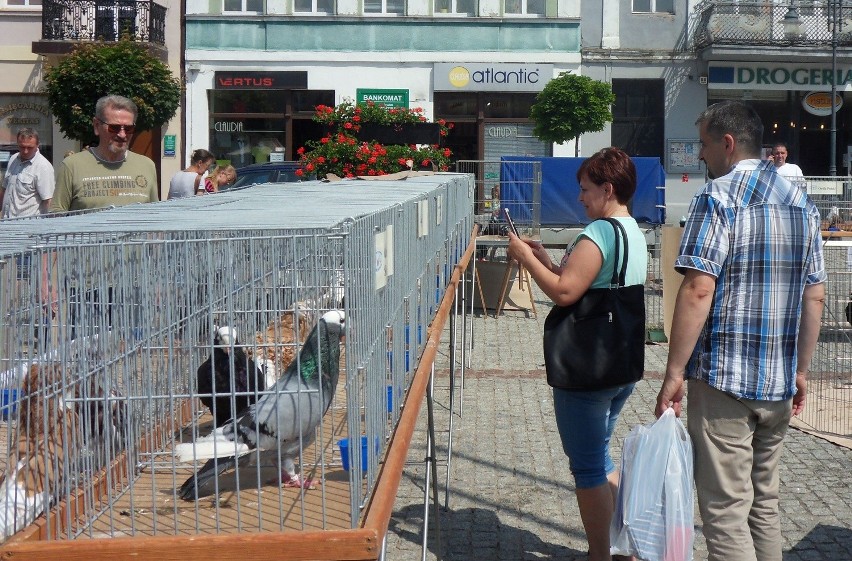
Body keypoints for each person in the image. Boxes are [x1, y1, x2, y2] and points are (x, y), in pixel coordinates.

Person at [656, 101, 826, 561]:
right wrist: (802, 369)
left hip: (724, 382)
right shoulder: (802, 203)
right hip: (777, 384)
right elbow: (815, 296)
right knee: (764, 506)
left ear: (728, 144)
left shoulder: (718, 197)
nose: (701, 154)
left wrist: (674, 372)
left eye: (705, 144)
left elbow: (697, 289)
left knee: (726, 514)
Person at [507, 147, 647, 561]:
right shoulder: (633, 231)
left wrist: (524, 261)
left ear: (607, 189)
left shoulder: (599, 233)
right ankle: (620, 547)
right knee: (601, 455)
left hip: (588, 369)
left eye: (586, 190)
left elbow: (566, 292)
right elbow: (588, 281)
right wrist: (546, 259)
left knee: (587, 468)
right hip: (618, 364)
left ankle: (600, 553)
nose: (581, 198)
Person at [50, 94, 159, 212]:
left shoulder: (147, 166)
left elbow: (154, 214)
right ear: (97, 126)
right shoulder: (72, 166)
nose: (122, 135)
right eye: (114, 128)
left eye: (128, 129)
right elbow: (56, 216)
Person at [1, 128, 55, 219]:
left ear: (37, 145)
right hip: (7, 222)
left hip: (29, 226)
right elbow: (4, 188)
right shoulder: (13, 159)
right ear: (17, 144)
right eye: (22, 147)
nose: (25, 151)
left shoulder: (43, 166)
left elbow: (48, 200)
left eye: (30, 148)